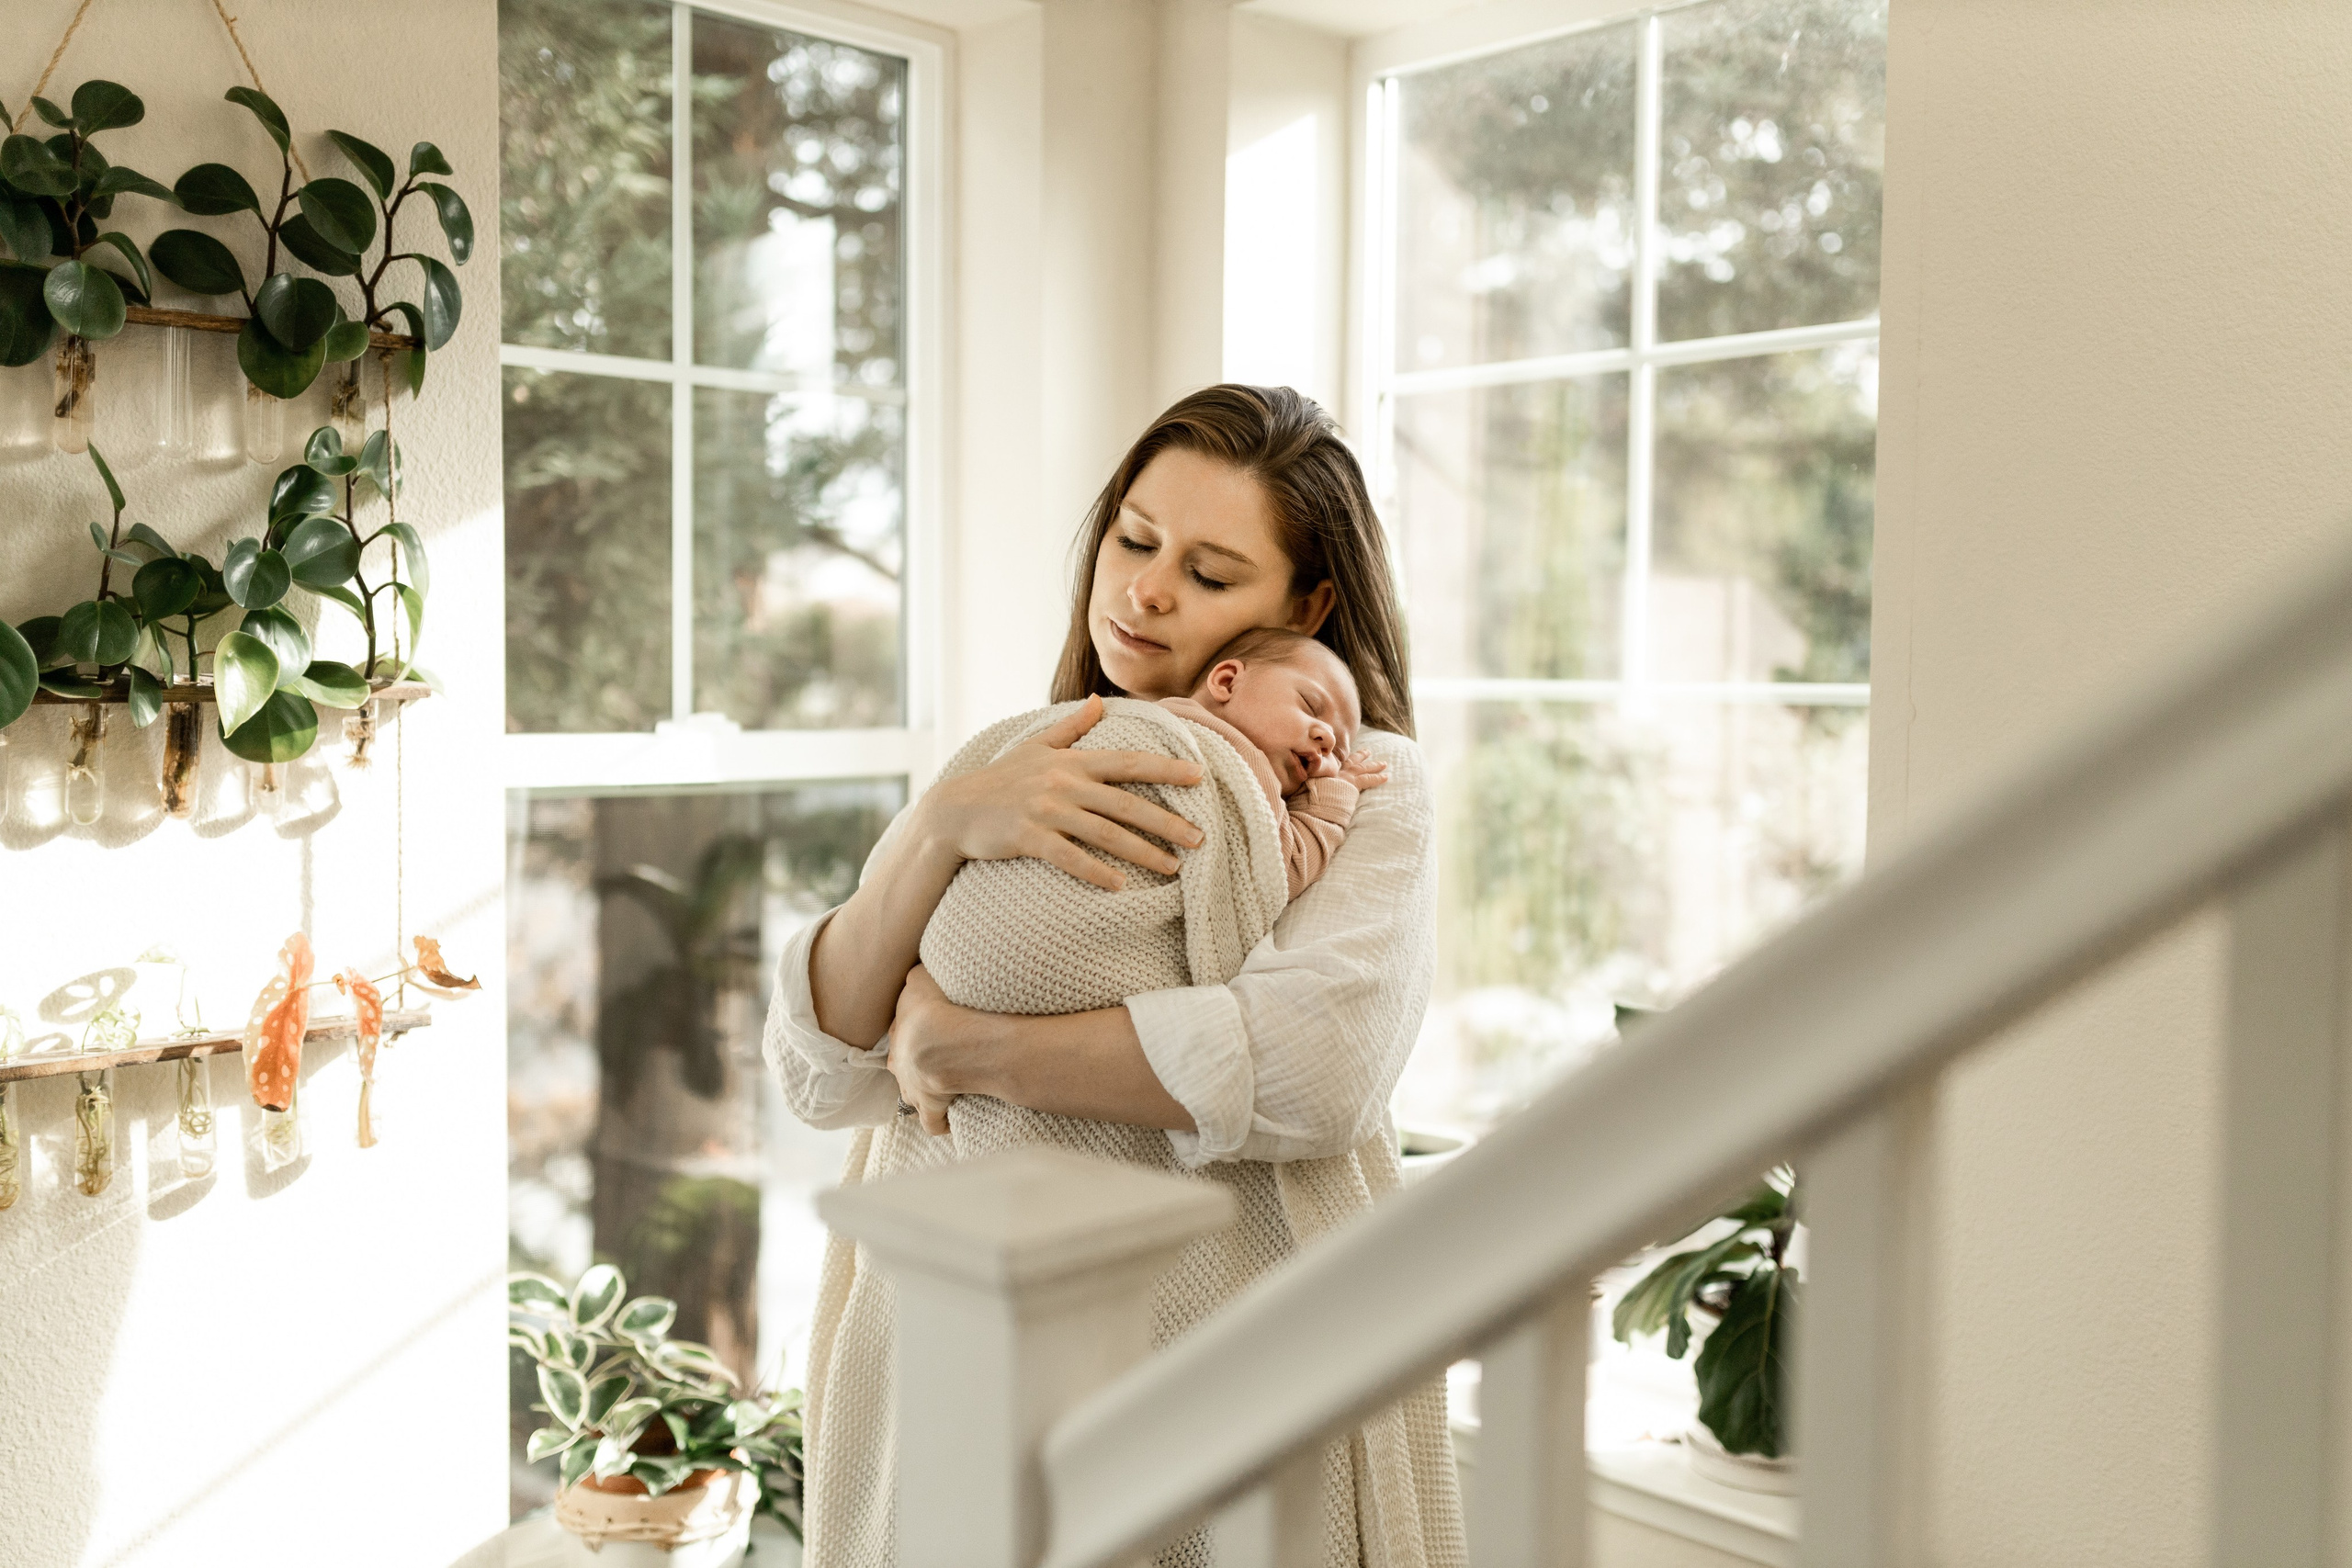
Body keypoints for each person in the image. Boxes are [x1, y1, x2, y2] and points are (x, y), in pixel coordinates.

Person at [764, 384, 1463, 1568]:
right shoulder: (1021, 755)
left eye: (1209, 571)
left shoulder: (1353, 781)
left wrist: (962, 1046)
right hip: (945, 1327)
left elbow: (1317, 1068)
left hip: (1191, 1335)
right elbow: (818, 1074)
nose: (1144, 589)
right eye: (1134, 539)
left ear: (1304, 604)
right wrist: (939, 827)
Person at [1158, 625, 1389, 900]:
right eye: (1310, 705)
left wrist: (1332, 788)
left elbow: (1275, 872)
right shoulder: (1152, 723)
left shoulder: (1259, 788)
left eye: (1338, 755)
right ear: (1227, 682)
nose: (1327, 739)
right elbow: (1281, 873)